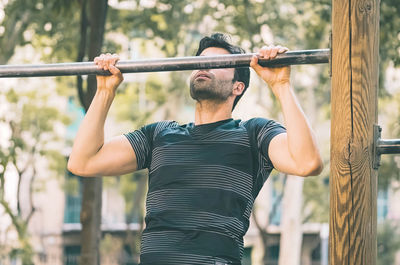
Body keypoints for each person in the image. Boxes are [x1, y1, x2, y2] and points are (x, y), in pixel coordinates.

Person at [68, 33, 323, 265]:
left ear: (238, 87)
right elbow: (83, 162)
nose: (203, 66)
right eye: (200, 61)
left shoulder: (254, 133)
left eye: (217, 63)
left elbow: (307, 162)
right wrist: (104, 91)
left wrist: (281, 86)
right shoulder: (159, 135)